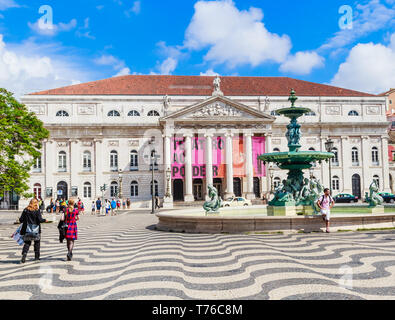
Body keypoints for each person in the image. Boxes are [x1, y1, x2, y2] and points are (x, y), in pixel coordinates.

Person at [19, 198, 47, 263]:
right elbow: (40, 220)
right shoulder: (37, 210)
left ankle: (24, 253)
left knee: (27, 243)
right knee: (37, 243)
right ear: (36, 203)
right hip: (36, 229)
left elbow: (21, 220)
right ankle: (37, 257)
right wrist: (45, 220)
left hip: (27, 229)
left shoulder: (26, 210)